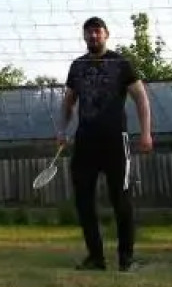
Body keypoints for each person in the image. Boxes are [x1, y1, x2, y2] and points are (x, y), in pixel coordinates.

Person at [56, 17, 154, 271]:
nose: (93, 37)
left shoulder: (121, 64)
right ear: (84, 37)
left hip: (115, 141)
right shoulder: (77, 67)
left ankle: (126, 259)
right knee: (83, 200)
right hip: (85, 141)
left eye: (97, 32)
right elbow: (68, 102)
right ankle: (95, 258)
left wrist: (146, 133)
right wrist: (61, 130)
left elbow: (141, 98)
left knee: (121, 199)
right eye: (88, 33)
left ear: (106, 34)